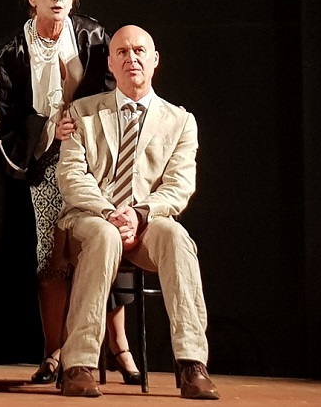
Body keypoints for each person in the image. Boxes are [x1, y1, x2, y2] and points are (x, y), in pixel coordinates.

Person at [0, 0, 141, 386]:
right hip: (45, 162)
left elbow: (117, 92)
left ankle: (118, 345)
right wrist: (48, 129)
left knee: (107, 242)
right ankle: (55, 352)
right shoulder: (7, 52)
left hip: (95, 158)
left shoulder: (93, 37)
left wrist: (86, 125)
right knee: (52, 255)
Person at [55, 24, 219, 399]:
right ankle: (79, 364)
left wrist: (140, 214)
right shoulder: (82, 112)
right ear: (110, 64)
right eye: (122, 52)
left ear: (155, 59)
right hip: (90, 219)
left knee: (176, 236)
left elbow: (179, 186)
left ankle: (192, 364)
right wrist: (109, 212)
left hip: (147, 221)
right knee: (104, 235)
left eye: (140, 51)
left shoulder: (181, 121)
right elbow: (71, 177)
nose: (132, 58)